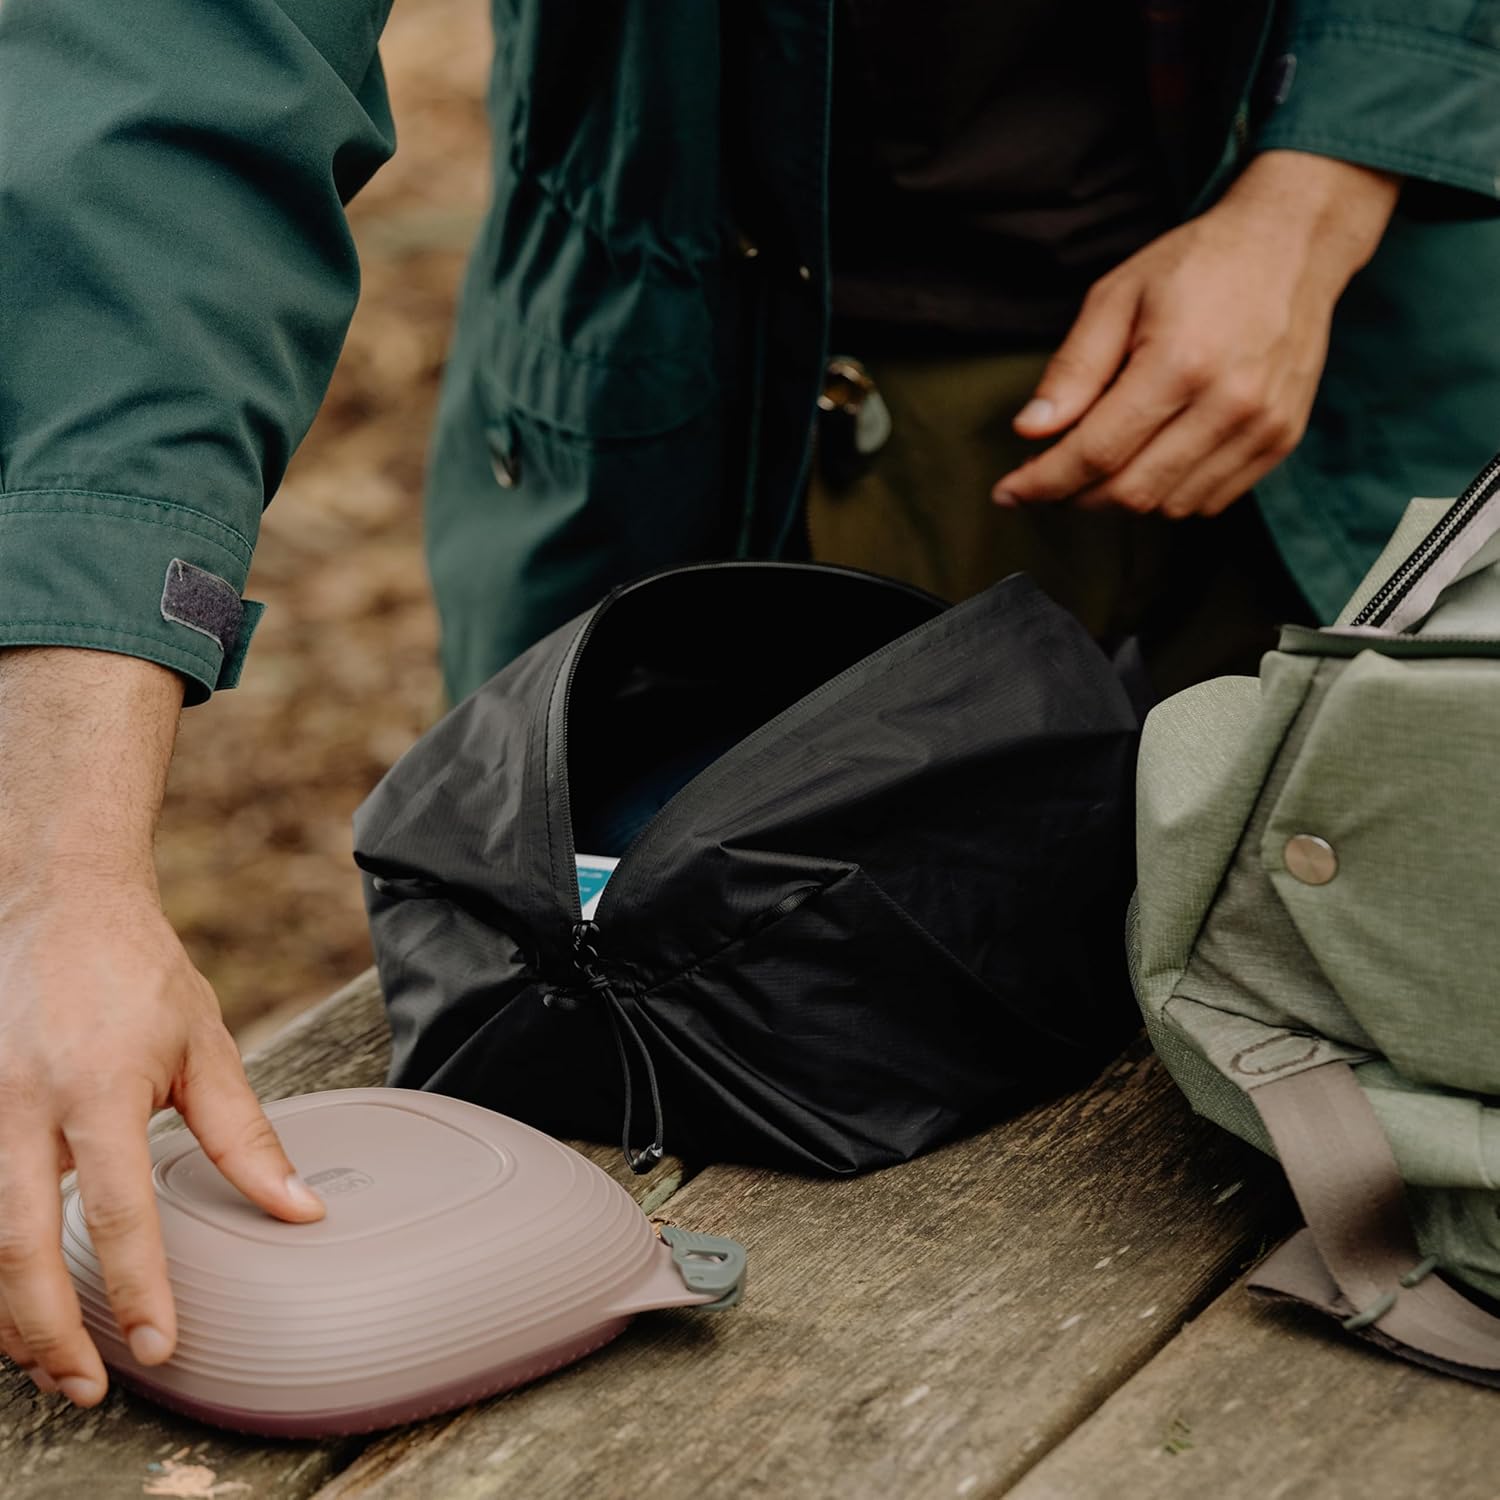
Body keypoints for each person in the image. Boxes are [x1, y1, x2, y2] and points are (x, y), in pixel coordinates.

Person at [1, 0, 1497, 1410]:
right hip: (681, 445)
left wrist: (1329, 183)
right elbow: (167, 89)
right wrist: (57, 870)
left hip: (1329, 410)